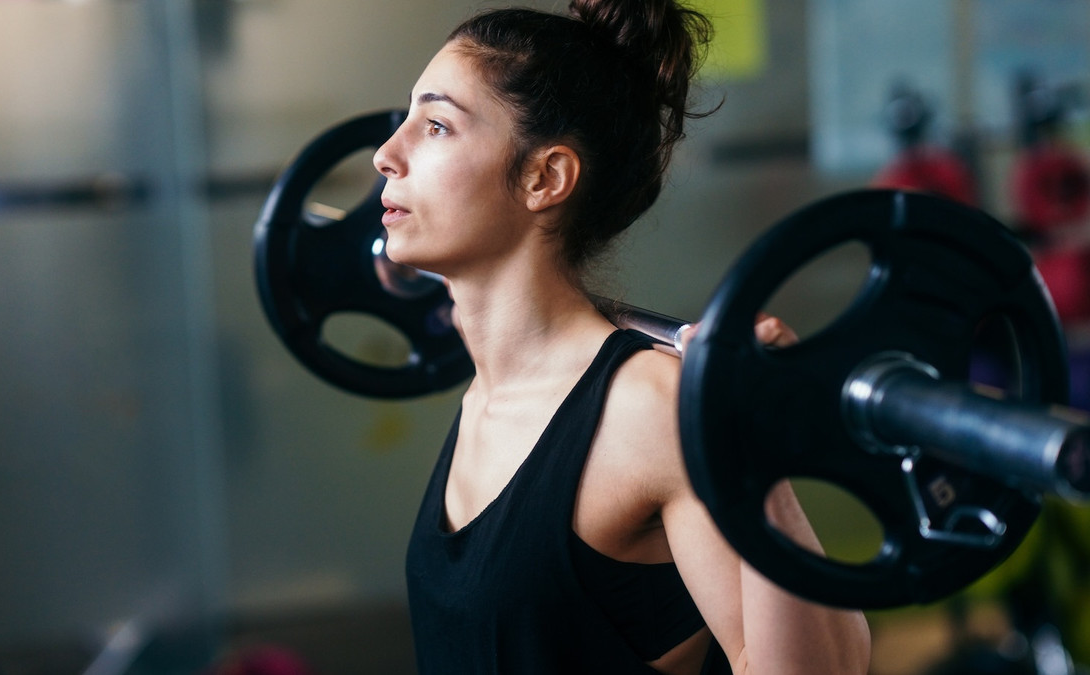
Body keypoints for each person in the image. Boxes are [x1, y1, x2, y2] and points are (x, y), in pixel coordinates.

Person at [371, 0, 872, 673]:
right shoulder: (488, 391)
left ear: (544, 177)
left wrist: (753, 452)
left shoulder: (648, 409)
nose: (385, 156)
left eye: (435, 126)